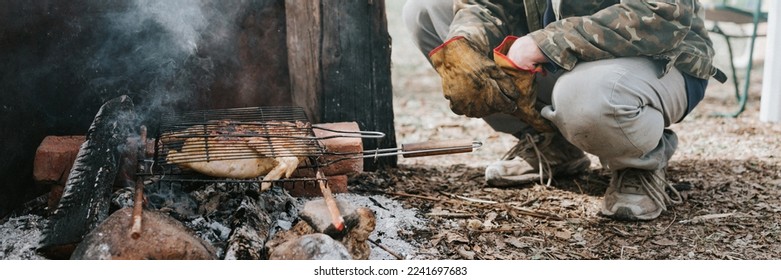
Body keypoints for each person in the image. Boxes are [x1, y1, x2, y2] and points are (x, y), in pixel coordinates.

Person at [402, 0, 725, 221]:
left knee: (586, 97)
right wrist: (465, 44)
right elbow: (486, 4)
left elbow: (662, 14)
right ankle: (550, 140)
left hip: (661, 60)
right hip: (565, 61)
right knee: (427, 10)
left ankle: (638, 163)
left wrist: (544, 43)